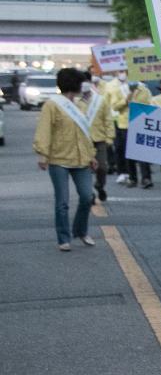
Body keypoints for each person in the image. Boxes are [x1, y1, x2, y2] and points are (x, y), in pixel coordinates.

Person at [33, 68, 97, 251]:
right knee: (62, 202)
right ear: (74, 84)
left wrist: (91, 155)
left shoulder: (80, 106)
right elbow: (44, 130)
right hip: (58, 159)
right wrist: (43, 154)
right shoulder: (52, 105)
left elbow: (85, 134)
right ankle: (63, 238)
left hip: (81, 159)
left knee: (87, 196)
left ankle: (80, 230)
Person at [87, 72, 116, 202]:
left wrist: (110, 137)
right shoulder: (74, 101)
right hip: (82, 141)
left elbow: (108, 120)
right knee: (85, 169)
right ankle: (88, 192)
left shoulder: (100, 100)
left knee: (102, 167)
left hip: (99, 139)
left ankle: (99, 185)